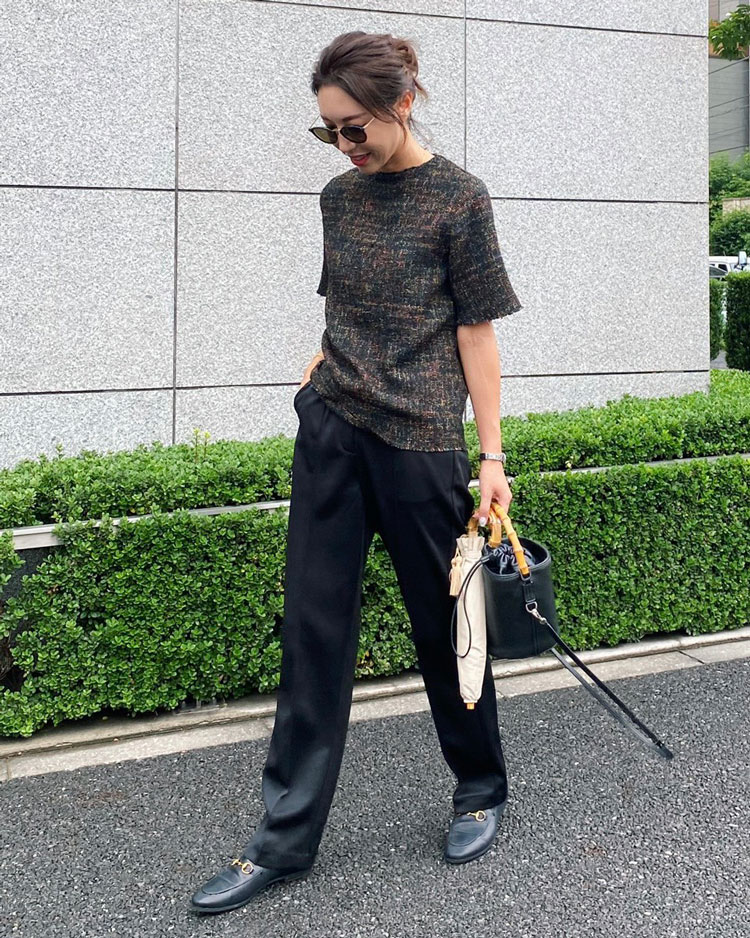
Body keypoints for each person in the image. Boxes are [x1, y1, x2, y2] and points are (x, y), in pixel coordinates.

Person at [190, 29, 523, 916]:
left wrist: (491, 457)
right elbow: (348, 304)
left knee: (446, 624)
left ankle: (480, 787)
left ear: (401, 104)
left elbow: (476, 333)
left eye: (353, 128)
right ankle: (282, 841)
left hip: (419, 441)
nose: (343, 145)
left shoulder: (459, 197)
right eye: (329, 130)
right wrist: (318, 373)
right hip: (334, 429)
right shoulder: (338, 198)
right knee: (313, 631)